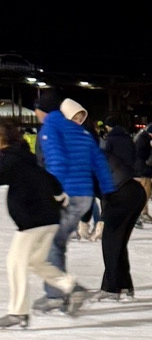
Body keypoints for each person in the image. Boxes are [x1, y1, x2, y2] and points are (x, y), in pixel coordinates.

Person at [0, 120, 90, 326]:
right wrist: (58, 196)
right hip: (47, 217)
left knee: (15, 263)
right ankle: (73, 288)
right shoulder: (23, 156)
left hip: (33, 220)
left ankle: (18, 312)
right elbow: (50, 179)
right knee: (36, 262)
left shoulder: (12, 158)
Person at [34, 93, 114, 312]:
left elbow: (55, 162)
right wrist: (107, 191)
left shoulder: (52, 131)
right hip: (82, 195)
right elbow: (98, 163)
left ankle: (57, 295)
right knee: (55, 244)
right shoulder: (82, 134)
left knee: (50, 244)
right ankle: (57, 293)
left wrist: (56, 193)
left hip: (66, 193)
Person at [95, 125, 149, 300]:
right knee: (117, 242)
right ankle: (124, 286)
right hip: (133, 192)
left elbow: (105, 187)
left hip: (122, 194)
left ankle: (112, 288)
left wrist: (103, 217)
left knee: (111, 242)